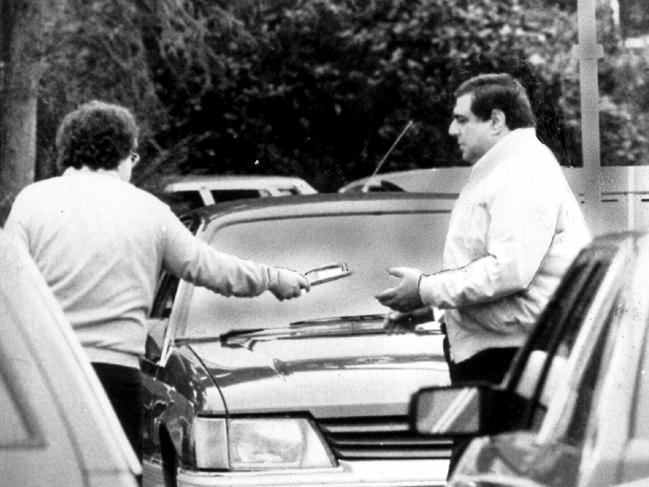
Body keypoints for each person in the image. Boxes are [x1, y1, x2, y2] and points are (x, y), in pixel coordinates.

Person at [4, 100, 311, 467]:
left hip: (44, 374)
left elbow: (9, 282)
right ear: (124, 155)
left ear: (68, 150)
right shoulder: (149, 210)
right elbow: (212, 269)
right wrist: (274, 279)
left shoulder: (32, 201)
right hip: (115, 376)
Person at [375, 73, 590, 474]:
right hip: (503, 355)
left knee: (482, 474)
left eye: (462, 119)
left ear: (496, 120)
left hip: (512, 361)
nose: (451, 129)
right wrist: (432, 306)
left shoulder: (521, 171)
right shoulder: (508, 166)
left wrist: (425, 291)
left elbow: (509, 271)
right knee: (475, 471)